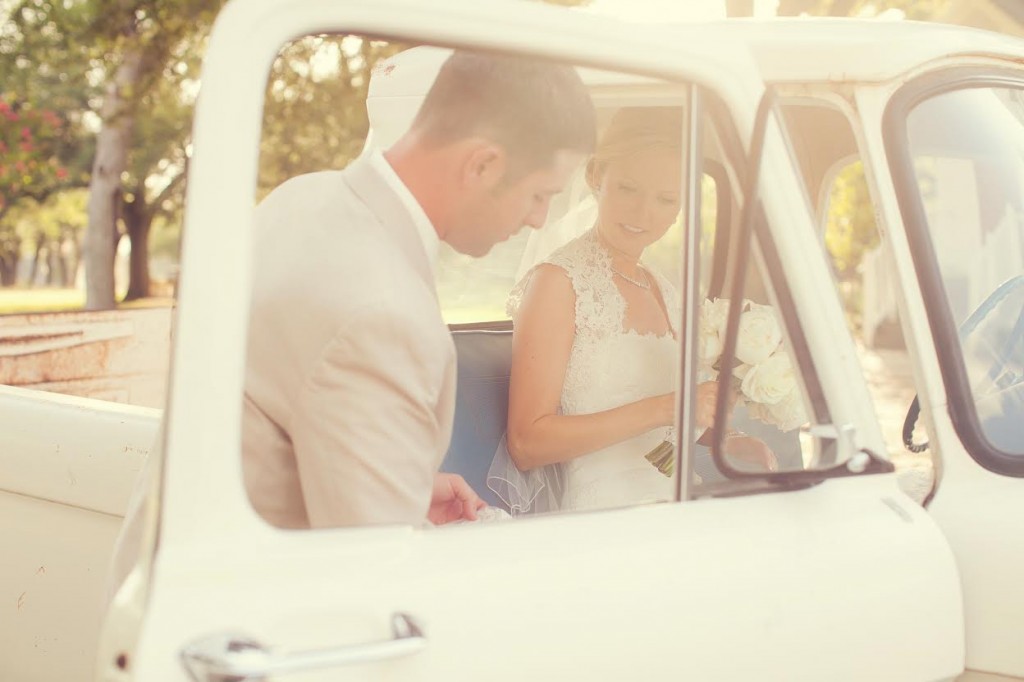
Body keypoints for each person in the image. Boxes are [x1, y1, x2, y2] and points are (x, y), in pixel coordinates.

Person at [240, 49, 596, 529]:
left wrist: (403, 484)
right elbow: (376, 558)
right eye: (540, 195)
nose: (538, 219)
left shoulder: (297, 198)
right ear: (483, 165)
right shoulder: (385, 316)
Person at [494, 107, 773, 514]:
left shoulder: (665, 290)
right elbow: (527, 444)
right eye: (628, 188)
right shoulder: (558, 282)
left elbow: (661, 428)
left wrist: (723, 440)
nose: (644, 214)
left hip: (671, 499)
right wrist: (667, 406)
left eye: (666, 199)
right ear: (595, 177)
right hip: (600, 514)